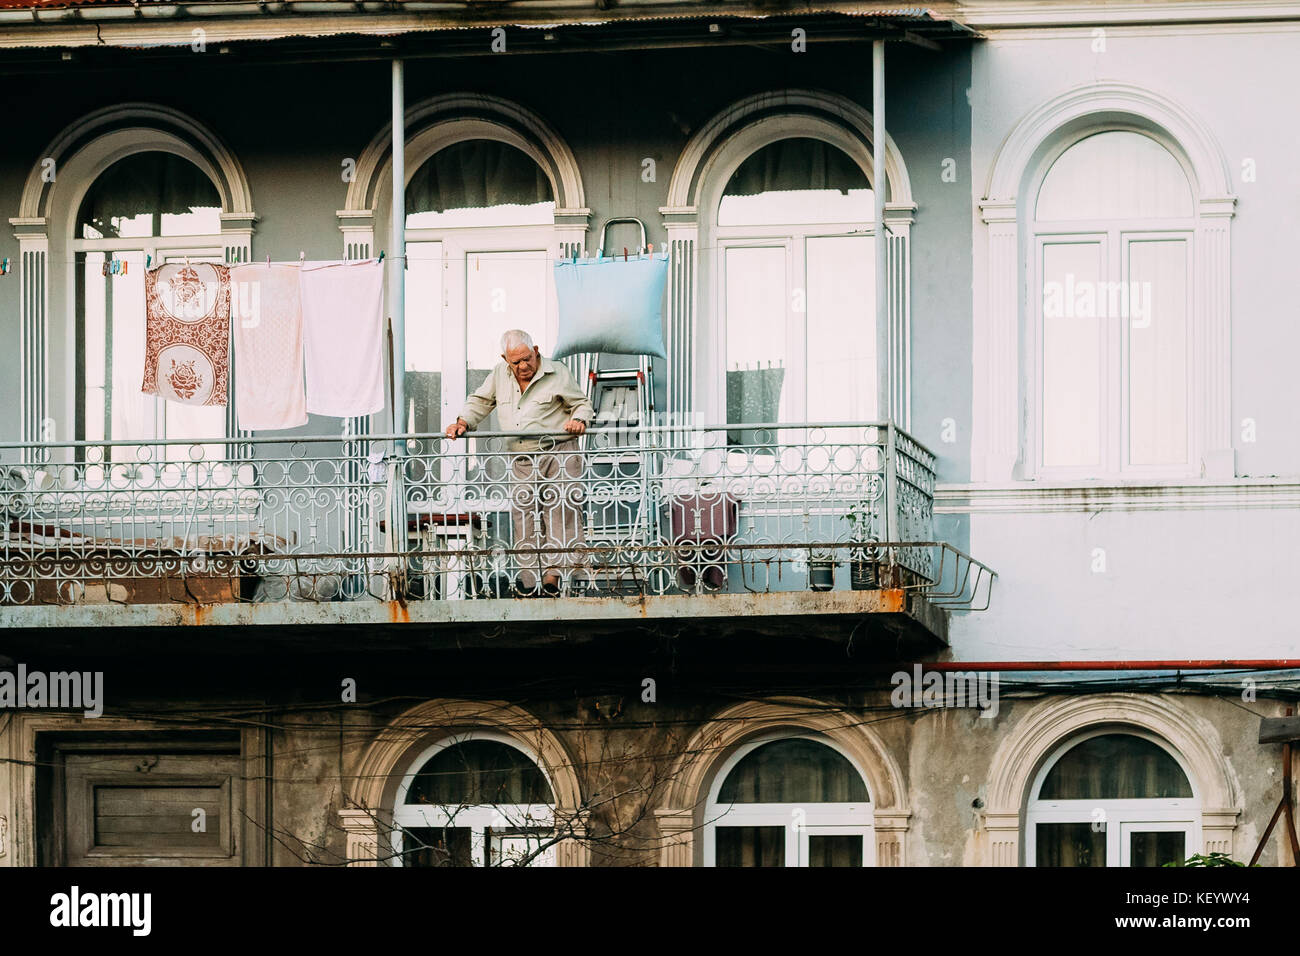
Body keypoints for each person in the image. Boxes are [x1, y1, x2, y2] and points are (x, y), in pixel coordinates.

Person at [445, 330, 594, 594]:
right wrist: (462, 422)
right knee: (524, 517)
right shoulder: (498, 375)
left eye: (527, 358)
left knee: (560, 514)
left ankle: (553, 579)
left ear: (536, 350)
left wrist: (579, 420)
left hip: (559, 451)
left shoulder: (557, 371)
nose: (523, 366)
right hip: (523, 457)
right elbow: (480, 401)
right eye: (516, 362)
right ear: (505, 359)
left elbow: (581, 403)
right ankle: (529, 583)